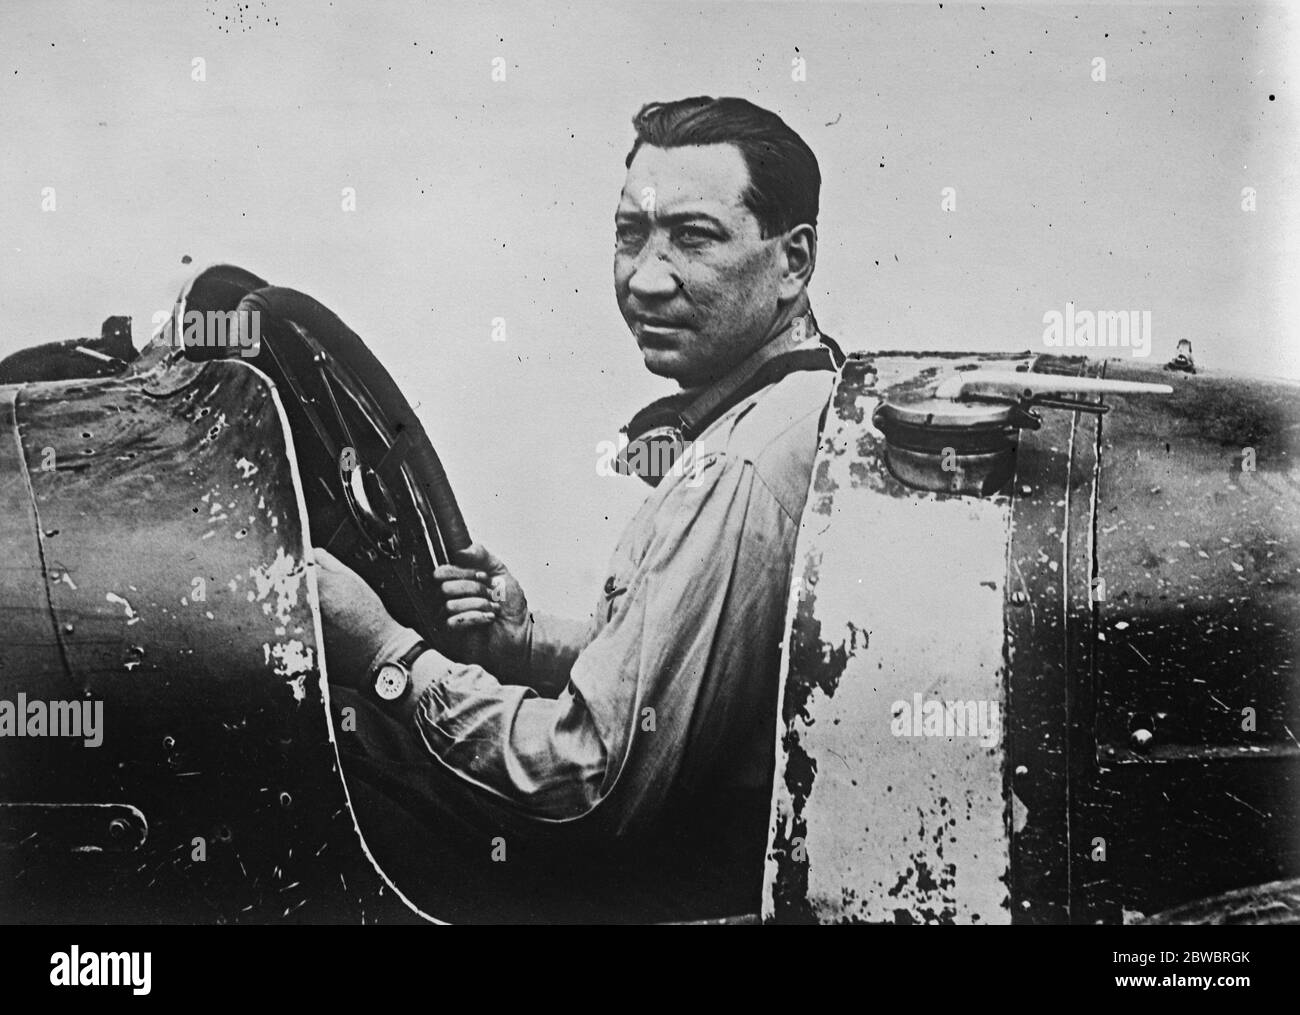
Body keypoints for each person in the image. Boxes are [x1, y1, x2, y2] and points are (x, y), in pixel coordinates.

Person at [314, 95, 844, 923]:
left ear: (793, 261)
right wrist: (520, 645)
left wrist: (388, 654)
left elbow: (589, 782)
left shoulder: (735, 469)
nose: (646, 277)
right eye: (632, 235)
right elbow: (683, 677)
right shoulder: (800, 401)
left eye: (695, 239)